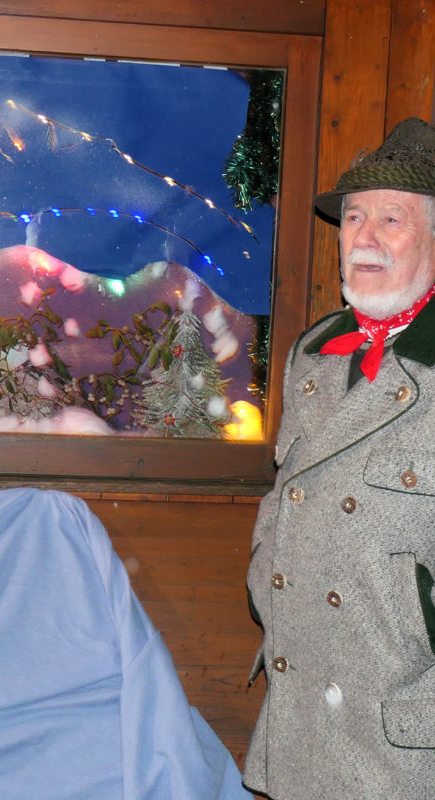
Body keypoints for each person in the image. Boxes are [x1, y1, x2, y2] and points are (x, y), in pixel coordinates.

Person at [243, 116, 435, 799]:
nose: (364, 237)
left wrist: (415, 623)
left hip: (403, 717)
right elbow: (287, 491)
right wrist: (266, 575)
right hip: (303, 699)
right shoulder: (314, 350)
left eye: (392, 218)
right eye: (353, 217)